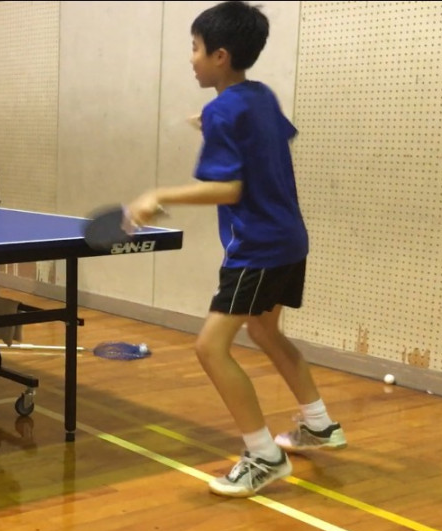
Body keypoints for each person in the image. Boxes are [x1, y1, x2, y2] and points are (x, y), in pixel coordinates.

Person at [126, 0, 346, 498]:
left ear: (220, 55)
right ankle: (318, 424)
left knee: (210, 347)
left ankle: (263, 455)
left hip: (257, 246)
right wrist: (217, 125)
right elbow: (271, 137)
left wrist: (158, 195)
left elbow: (228, 189)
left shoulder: (224, 109)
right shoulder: (258, 97)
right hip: (290, 238)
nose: (191, 58)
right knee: (264, 330)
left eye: (195, 48)